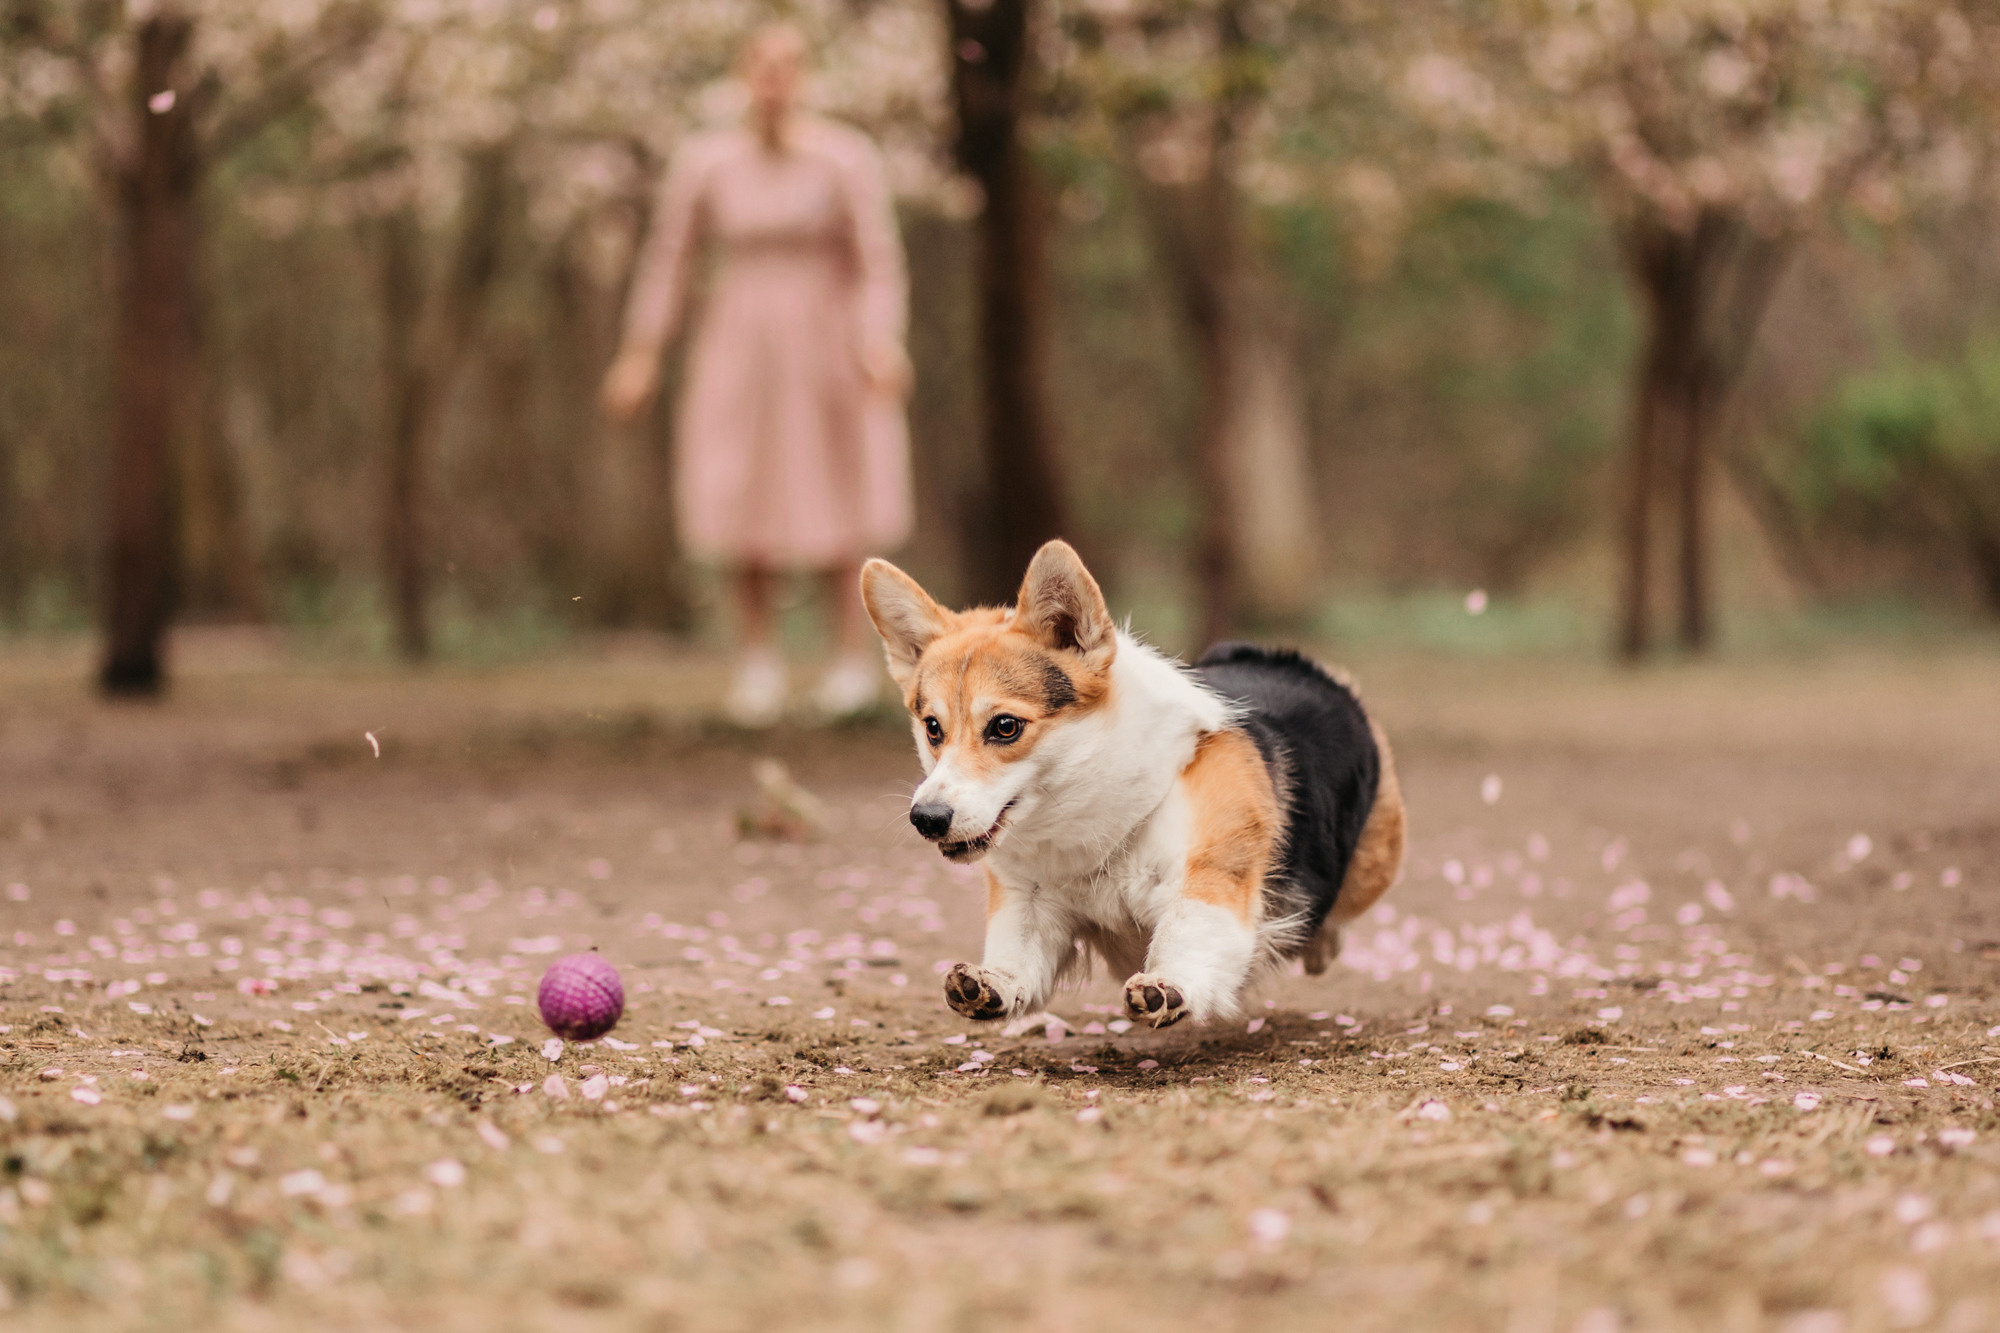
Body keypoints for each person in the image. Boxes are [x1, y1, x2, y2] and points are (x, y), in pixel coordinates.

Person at [602, 23, 914, 726]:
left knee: (838, 486)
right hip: (738, 341)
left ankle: (848, 664)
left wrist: (881, 339)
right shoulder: (705, 161)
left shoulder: (845, 156)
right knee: (741, 489)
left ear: (805, 75)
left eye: (788, 67)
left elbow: (878, 258)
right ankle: (758, 661)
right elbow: (668, 260)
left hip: (825, 339)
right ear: (744, 74)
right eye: (762, 67)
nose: (775, 81)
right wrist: (642, 350)